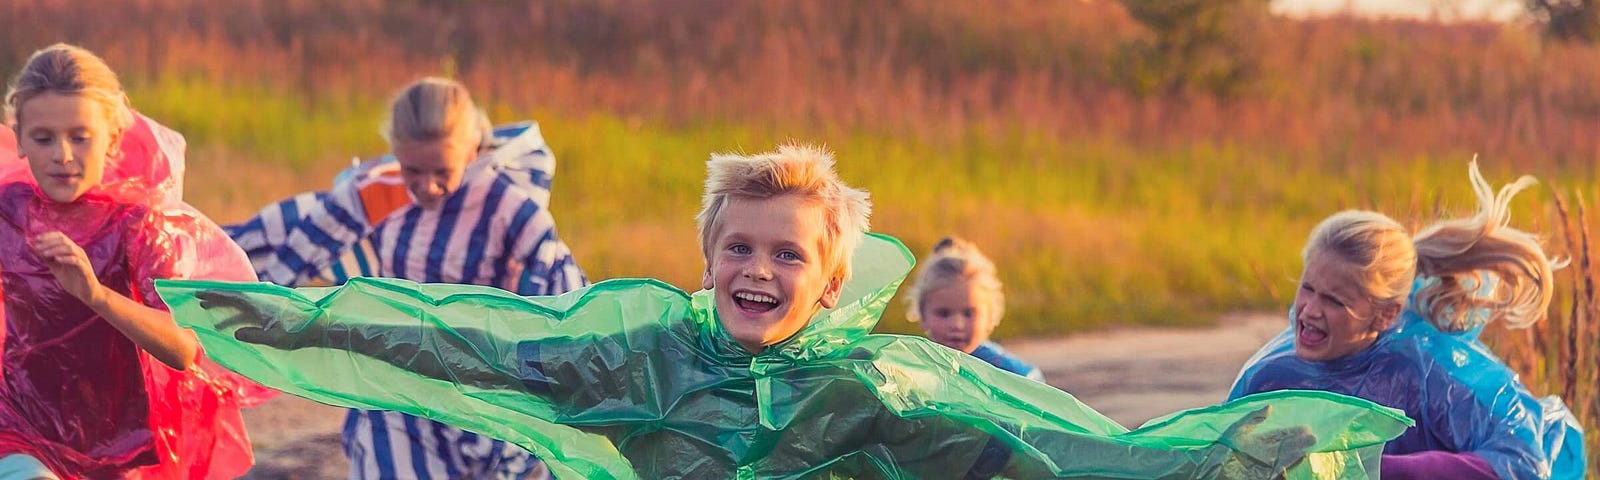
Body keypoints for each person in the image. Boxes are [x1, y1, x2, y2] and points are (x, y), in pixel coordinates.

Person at [161, 144, 1415, 479]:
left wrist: (1224, 455)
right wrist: (287, 320)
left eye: (786, 256)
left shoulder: (875, 387)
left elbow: (1062, 453)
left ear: (829, 282)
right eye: (739, 247)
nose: (758, 270)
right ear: (707, 252)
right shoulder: (641, 356)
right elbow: (458, 342)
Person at [225, 77, 585, 479]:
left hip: (486, 396)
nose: (427, 186)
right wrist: (248, 296)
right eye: (413, 169)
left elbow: (560, 297)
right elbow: (301, 243)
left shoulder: (510, 208)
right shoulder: (379, 192)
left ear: (471, 149)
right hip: (398, 386)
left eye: (441, 171)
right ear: (395, 151)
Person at [0, 43, 265, 479]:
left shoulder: (137, 226)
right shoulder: (9, 209)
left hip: (117, 444)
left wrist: (96, 294)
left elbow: (182, 350)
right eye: (43, 138)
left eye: (80, 136)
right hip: (18, 424)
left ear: (113, 139)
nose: (62, 155)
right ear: (21, 141)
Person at [1230, 162, 1587, 479]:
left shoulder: (1430, 374)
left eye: (1334, 301)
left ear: (1386, 314)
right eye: (1307, 288)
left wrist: (1369, 469)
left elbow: (1522, 461)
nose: (1309, 310)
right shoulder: (1270, 378)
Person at [905, 237, 1043, 381]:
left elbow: (1036, 386)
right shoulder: (914, 369)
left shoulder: (1007, 373)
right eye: (944, 314)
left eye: (969, 313)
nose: (957, 325)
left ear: (990, 316)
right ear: (923, 314)